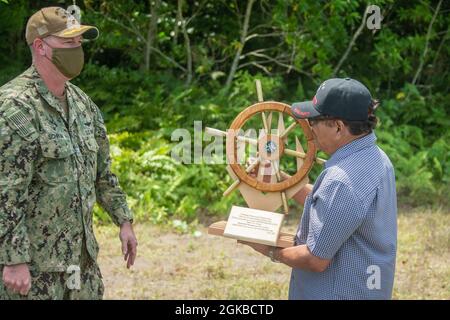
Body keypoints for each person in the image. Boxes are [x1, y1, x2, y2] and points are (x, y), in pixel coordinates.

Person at [0, 7, 137, 299]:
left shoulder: (83, 105)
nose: (77, 50)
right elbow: (6, 192)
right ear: (40, 47)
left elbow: (102, 174)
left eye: (79, 43)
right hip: (35, 271)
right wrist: (13, 260)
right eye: (68, 42)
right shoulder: (14, 107)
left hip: (80, 265)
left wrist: (124, 220)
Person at [240, 78, 397, 300]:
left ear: (338, 127)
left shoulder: (341, 180)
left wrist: (268, 249)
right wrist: (280, 180)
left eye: (315, 120)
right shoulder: (376, 158)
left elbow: (315, 259)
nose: (309, 127)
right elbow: (335, 208)